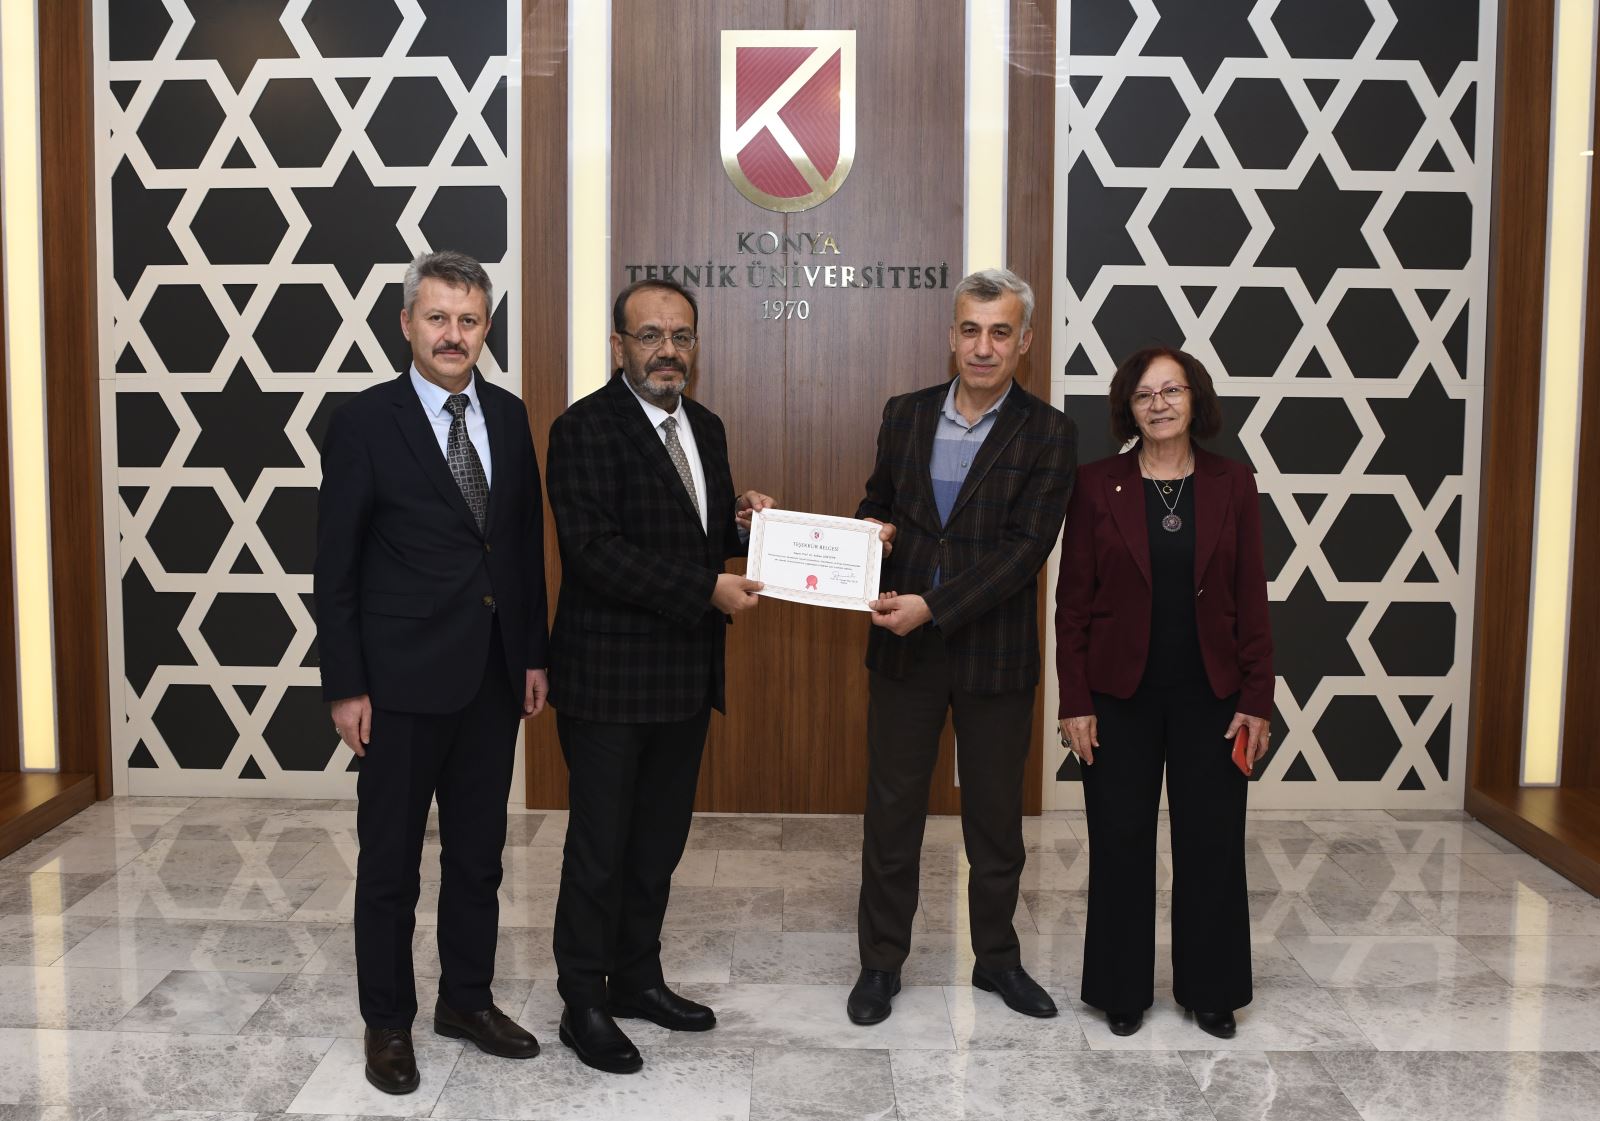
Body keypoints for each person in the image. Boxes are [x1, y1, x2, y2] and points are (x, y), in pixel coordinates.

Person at [315, 250, 548, 1094]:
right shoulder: (362, 422)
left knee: (479, 858)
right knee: (390, 866)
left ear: (486, 329)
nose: (455, 334)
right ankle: (387, 1021)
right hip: (398, 685)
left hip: (491, 678)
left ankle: (467, 1000)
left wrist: (532, 652)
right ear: (407, 323)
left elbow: (520, 546)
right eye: (439, 317)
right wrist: (346, 684)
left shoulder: (510, 416)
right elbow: (335, 566)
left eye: (470, 319)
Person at [546, 277, 773, 1073]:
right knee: (600, 850)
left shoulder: (705, 427)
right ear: (620, 346)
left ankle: (637, 977)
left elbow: (692, 535)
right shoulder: (582, 429)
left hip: (683, 678)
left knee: (657, 845)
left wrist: (740, 526)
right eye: (650, 335)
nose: (667, 350)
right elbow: (595, 552)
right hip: (608, 682)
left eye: (681, 336)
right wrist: (707, 586)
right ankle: (582, 998)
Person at [848, 267, 1077, 1026]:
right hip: (904, 650)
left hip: (994, 654)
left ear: (1025, 342)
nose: (983, 346)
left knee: (995, 821)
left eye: (1000, 332)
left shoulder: (1049, 432)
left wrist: (934, 607)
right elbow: (879, 500)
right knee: (892, 815)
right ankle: (881, 963)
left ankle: (997, 960)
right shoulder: (905, 413)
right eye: (971, 330)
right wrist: (872, 531)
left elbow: (1024, 553)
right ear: (952, 336)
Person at [1054, 345, 1273, 1040]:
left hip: (1215, 697)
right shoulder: (1095, 484)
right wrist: (1074, 700)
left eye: (1171, 391)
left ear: (1194, 398)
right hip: (1117, 698)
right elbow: (1072, 605)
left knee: (1213, 844)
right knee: (1119, 842)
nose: (1159, 404)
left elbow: (1252, 598)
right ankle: (1121, 988)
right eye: (1144, 394)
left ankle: (1212, 990)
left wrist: (1257, 698)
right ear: (1129, 407)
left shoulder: (1233, 482)